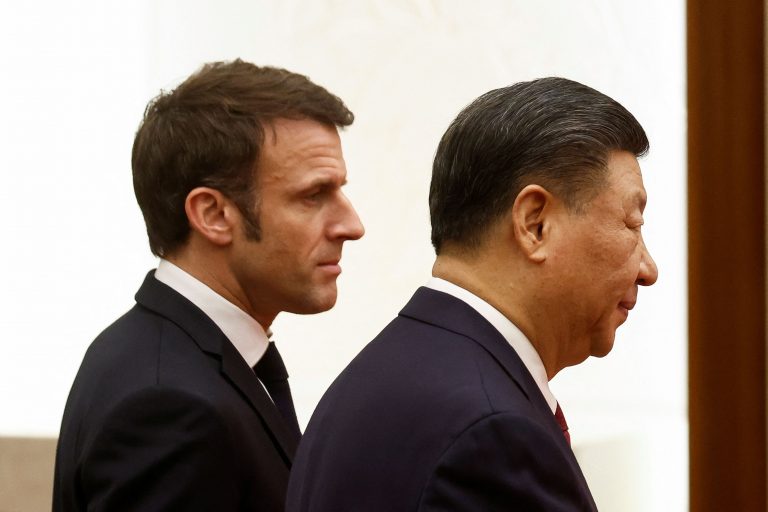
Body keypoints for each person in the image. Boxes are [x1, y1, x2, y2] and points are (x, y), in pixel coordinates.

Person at [286, 77, 658, 511]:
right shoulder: (492, 432)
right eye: (632, 224)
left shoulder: (377, 376)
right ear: (535, 224)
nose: (648, 270)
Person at [52, 59, 364, 511]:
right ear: (213, 215)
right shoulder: (169, 405)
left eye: (340, 190)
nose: (351, 225)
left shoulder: (152, 350)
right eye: (313, 195)